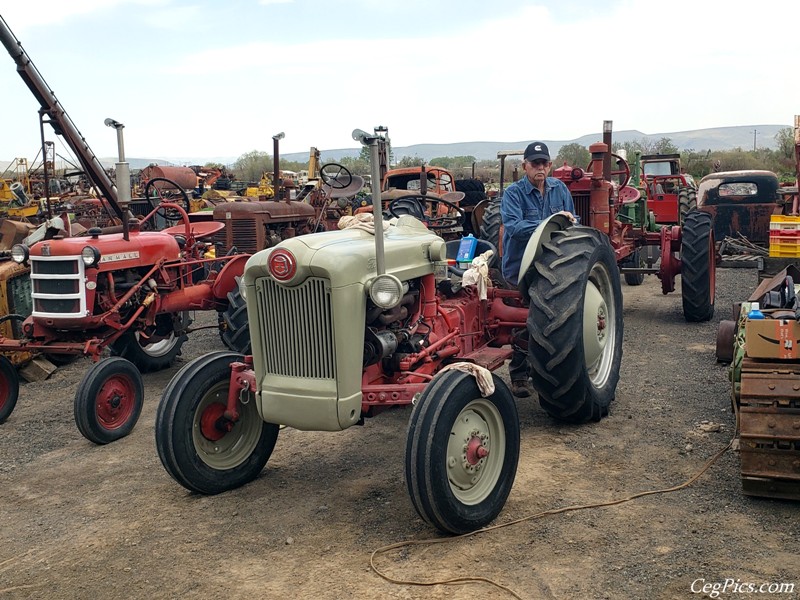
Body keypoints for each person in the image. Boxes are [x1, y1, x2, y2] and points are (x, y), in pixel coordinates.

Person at [500, 141, 577, 398]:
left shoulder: (560, 190)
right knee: (523, 320)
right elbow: (513, 227)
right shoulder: (513, 194)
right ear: (525, 166)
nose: (540, 168)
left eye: (544, 163)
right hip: (520, 267)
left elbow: (570, 224)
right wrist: (548, 224)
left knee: (551, 319)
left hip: (553, 267)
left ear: (550, 165)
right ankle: (519, 375)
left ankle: (544, 369)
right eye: (535, 164)